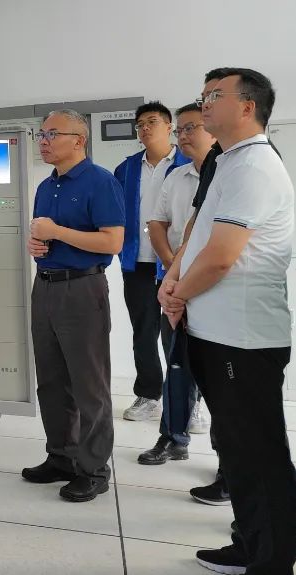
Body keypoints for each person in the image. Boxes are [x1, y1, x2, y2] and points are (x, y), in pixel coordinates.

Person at [160, 68, 296, 575]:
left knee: (259, 455)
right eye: (203, 95)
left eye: (215, 96)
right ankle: (249, 545)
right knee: (239, 452)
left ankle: (272, 561)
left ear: (247, 107)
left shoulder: (256, 165)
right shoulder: (229, 160)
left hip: (242, 339)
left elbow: (220, 258)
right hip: (215, 331)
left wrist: (176, 295)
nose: (204, 104)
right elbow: (199, 236)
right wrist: (175, 283)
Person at [21, 109, 125, 503]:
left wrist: (57, 232)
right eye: (41, 134)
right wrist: (37, 245)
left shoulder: (101, 181)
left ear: (78, 140)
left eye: (52, 134)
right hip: (45, 286)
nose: (43, 141)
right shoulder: (46, 186)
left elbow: (112, 241)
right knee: (51, 380)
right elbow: (44, 236)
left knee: (89, 384)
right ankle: (61, 456)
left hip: (83, 289)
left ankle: (93, 469)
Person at [138, 102, 218, 465]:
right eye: (181, 129)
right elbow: (157, 224)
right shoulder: (175, 177)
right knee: (176, 364)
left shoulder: (228, 174)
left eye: (192, 128)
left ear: (213, 130)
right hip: (175, 286)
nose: (183, 136)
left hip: (215, 288)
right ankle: (173, 438)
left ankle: (228, 462)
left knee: (220, 375)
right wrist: (174, 271)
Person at [114, 102, 191, 422]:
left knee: (181, 332)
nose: (145, 128)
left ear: (169, 126)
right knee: (143, 332)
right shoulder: (127, 168)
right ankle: (148, 394)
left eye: (152, 122)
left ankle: (189, 399)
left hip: (178, 263)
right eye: (140, 124)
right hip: (139, 262)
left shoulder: (189, 162)